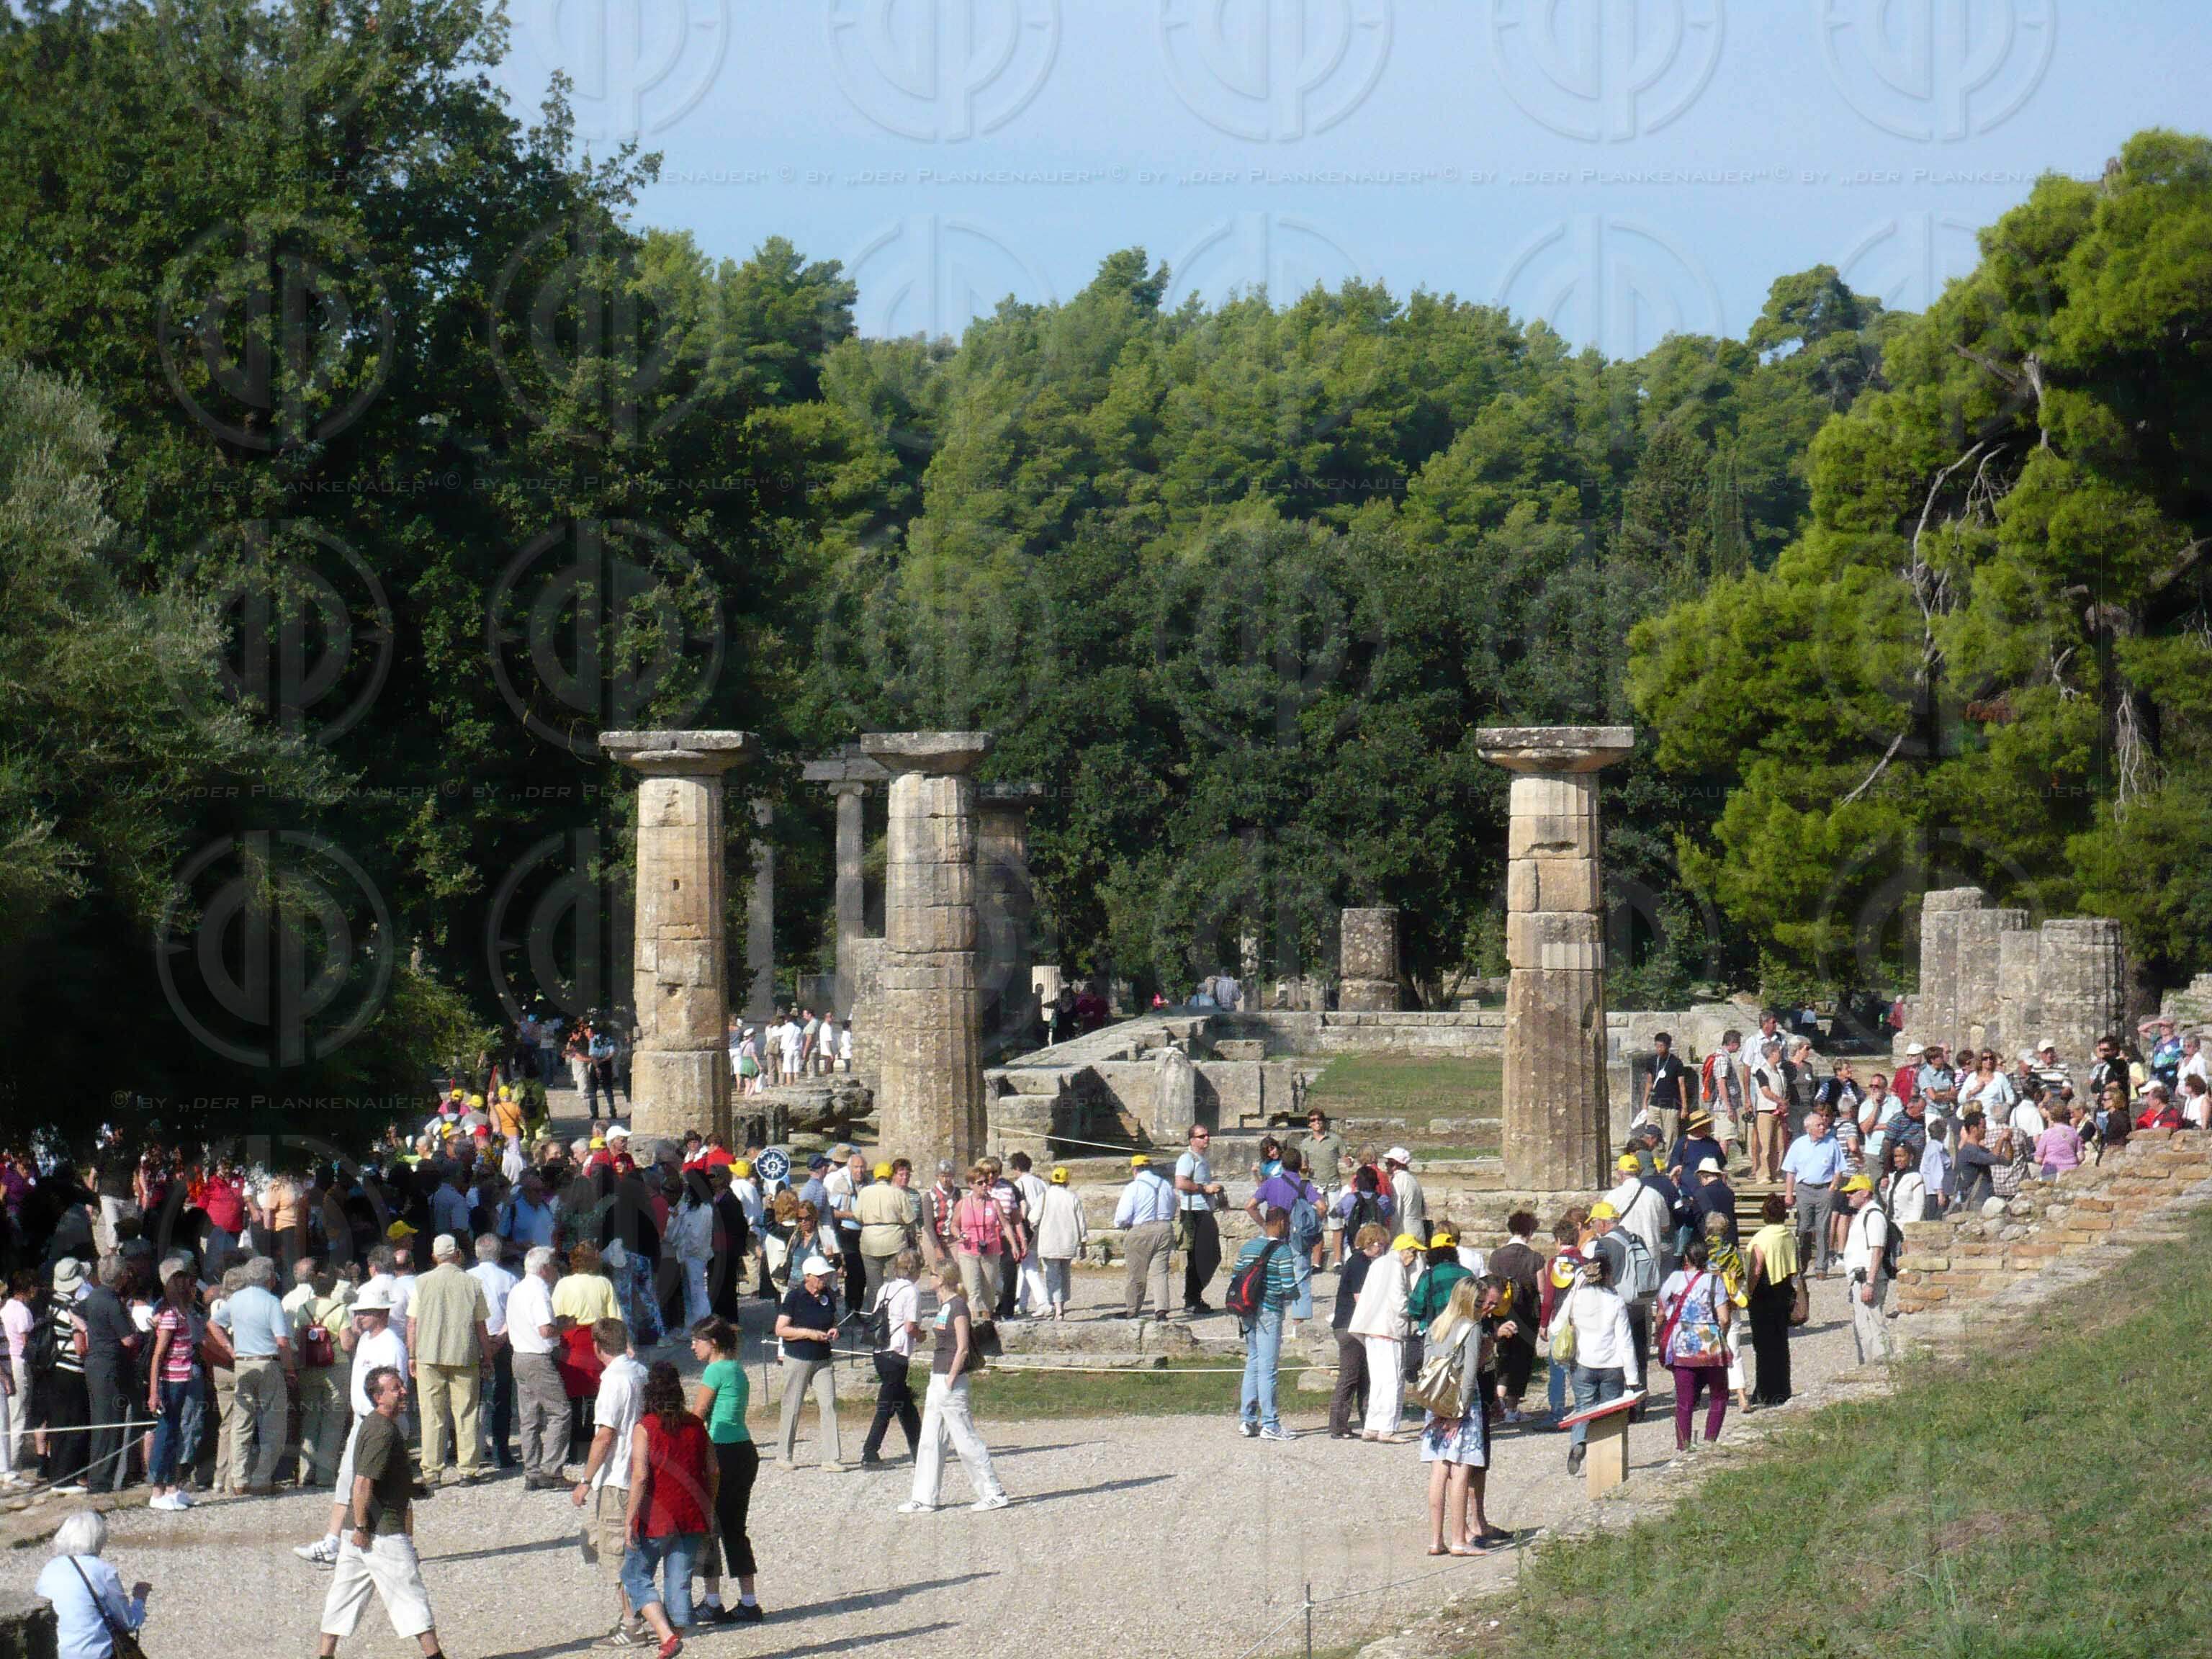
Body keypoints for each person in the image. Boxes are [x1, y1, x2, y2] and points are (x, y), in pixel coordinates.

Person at [295, 1278, 408, 1567]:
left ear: (381, 1313)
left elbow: (397, 1390)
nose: (358, 1317)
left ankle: (402, 1544)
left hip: (378, 1424)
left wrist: (385, 1425)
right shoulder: (367, 1340)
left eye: (364, 1312)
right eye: (358, 1312)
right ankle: (334, 1541)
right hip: (363, 1420)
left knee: (391, 1489)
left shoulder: (391, 1344)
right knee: (348, 1481)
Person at [620, 1360, 714, 1659]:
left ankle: (666, 1636)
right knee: (679, 1582)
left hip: (656, 1517)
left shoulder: (646, 1427)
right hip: (691, 1513)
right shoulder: (696, 1425)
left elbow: (640, 1476)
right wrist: (709, 1505)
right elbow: (713, 1469)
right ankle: (675, 1638)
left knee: (635, 1576)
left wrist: (629, 1518)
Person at [898, 1263, 1007, 1513]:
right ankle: (925, 1497)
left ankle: (994, 1492)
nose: (929, 1278)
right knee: (930, 1440)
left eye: (933, 1275)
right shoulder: (944, 1306)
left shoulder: (958, 1307)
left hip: (951, 1381)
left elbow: (963, 1346)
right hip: (937, 1378)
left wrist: (951, 1377)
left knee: (965, 1439)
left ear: (943, 1279)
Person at [572, 1319, 648, 1645]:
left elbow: (605, 1435)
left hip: (618, 1476)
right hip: (637, 1471)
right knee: (597, 1539)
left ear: (597, 1347)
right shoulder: (641, 1372)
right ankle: (638, 1610)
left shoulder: (614, 1381)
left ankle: (632, 1623)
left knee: (616, 1551)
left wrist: (585, 1480)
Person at [1420, 1277, 1509, 1556]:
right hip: (1462, 1406)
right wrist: (1458, 1415)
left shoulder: (1437, 1325)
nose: (1483, 1308)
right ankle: (1459, 1539)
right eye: (1479, 1302)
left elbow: (1426, 1367)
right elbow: (1469, 1375)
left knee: (1438, 1472)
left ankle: (1436, 1540)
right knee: (1460, 1471)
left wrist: (1438, 1410)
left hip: (1435, 1403)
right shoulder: (1470, 1328)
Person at [685, 1318, 761, 1624]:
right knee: (735, 1528)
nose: (693, 1346)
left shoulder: (715, 1370)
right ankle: (749, 1600)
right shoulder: (737, 1368)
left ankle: (713, 1600)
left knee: (708, 1527)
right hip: (744, 1449)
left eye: (697, 1340)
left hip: (721, 1450)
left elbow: (698, 1415)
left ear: (713, 1343)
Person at [408, 1233, 492, 1487]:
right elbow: (481, 1326)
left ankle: (432, 1471)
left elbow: (412, 1323)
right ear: (457, 1254)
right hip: (464, 1354)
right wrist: (487, 1356)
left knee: (432, 1414)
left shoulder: (421, 1282)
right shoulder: (472, 1283)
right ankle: (468, 1469)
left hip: (428, 1354)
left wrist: (412, 1354)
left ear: (434, 1255)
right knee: (466, 1413)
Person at [1546, 1251, 1640, 1476]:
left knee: (1583, 1408)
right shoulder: (1615, 1301)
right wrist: (1633, 1378)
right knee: (1609, 1414)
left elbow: (1556, 1327)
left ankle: (1579, 1442)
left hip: (1582, 1363)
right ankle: (1606, 1463)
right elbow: (1625, 1341)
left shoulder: (1576, 1298)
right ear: (1607, 1274)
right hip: (1611, 1365)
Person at [37, 1510, 150, 1659]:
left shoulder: (50, 1568)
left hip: (56, 1651)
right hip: (95, 1654)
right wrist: (140, 1599)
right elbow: (128, 1623)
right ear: (98, 1539)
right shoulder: (102, 1571)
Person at [1656, 1239, 1733, 1452]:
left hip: (1683, 1343)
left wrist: (1659, 1335)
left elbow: (1661, 1312)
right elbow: (1725, 1318)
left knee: (1684, 1401)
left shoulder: (1674, 1278)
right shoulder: (1714, 1282)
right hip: (1710, 1344)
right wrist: (1721, 1336)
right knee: (1719, 1395)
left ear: (1686, 1258)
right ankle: (1710, 1441)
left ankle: (1684, 1447)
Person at [1231, 1205, 1299, 1442]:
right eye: (1288, 1223)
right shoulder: (1283, 1251)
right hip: (1269, 1311)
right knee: (1268, 1368)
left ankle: (1248, 1419)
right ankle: (1270, 1423)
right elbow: (1288, 1286)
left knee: (1253, 1361)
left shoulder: (1248, 1247)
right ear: (1281, 1222)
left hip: (1247, 1309)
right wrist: (1295, 1294)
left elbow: (1235, 1277)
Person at [143, 1263, 204, 1511]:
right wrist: (154, 1392)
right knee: (166, 1434)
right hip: (170, 1381)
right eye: (190, 1286)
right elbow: (158, 1356)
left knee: (175, 1433)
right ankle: (157, 1491)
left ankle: (172, 1487)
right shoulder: (169, 1315)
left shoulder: (182, 1313)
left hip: (183, 1378)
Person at [773, 1255, 844, 1471]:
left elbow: (833, 1319)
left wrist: (834, 1329)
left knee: (829, 1405)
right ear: (808, 1277)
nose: (824, 1279)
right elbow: (781, 1329)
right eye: (820, 1276)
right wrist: (807, 1333)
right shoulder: (794, 1297)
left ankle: (831, 1458)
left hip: (823, 1359)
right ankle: (784, 1455)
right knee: (792, 1406)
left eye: (826, 1275)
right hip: (798, 1357)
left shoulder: (829, 1295)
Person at [1347, 1232, 1417, 1441]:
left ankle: (1371, 1426)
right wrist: (1414, 1309)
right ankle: (1387, 1428)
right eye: (1413, 1253)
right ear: (1405, 1251)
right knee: (1393, 1381)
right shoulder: (1395, 1266)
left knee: (1378, 1381)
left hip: (1372, 1328)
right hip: (1389, 1329)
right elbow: (1398, 1300)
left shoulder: (1378, 1264)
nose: (1414, 1258)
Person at [505, 1246, 565, 1488]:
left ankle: (532, 1471)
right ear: (545, 1268)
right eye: (554, 1265)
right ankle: (552, 1470)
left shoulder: (517, 1289)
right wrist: (567, 1325)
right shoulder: (539, 1291)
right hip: (537, 1358)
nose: (556, 1270)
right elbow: (546, 1330)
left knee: (529, 1417)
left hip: (519, 1355)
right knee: (560, 1411)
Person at [861, 1251, 923, 1466]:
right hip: (897, 1351)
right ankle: (870, 1452)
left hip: (880, 1350)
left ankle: (919, 1448)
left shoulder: (885, 1288)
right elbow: (910, 1326)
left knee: (904, 1402)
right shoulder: (911, 1291)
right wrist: (921, 1336)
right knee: (887, 1405)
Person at [1328, 1225, 1388, 1439]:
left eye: (1384, 1244)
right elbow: (1361, 1298)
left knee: (1365, 1375)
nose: (1382, 1248)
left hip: (1360, 1326)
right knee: (1350, 1375)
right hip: (1350, 1326)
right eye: (1379, 1244)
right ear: (1369, 1242)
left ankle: (1369, 1420)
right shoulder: (1359, 1263)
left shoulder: (1366, 1263)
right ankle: (1338, 1425)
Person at [1485, 1212, 1545, 1422]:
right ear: (1530, 1232)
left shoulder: (1496, 1256)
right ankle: (1512, 1409)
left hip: (1501, 1313)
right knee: (1522, 1360)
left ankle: (1498, 1404)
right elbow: (1541, 1287)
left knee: (1503, 1356)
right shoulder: (1535, 1258)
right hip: (1527, 1314)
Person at [1745, 1193, 1798, 1407]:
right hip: (1783, 1290)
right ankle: (1782, 1388)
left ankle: (1765, 1390)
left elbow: (1756, 1269)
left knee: (1763, 1346)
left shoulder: (1762, 1237)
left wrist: (1748, 1293)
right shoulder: (1788, 1234)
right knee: (1781, 1342)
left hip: (1764, 1293)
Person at [1112, 1154, 1177, 1320]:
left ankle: (1132, 1309)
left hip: (1141, 1229)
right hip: (1164, 1228)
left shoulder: (1133, 1187)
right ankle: (1161, 1310)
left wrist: (1122, 1225)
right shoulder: (1165, 1185)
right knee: (1160, 1272)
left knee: (1137, 1273)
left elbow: (1123, 1216)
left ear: (1134, 1169)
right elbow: (1173, 1207)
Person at [1781, 1109, 1843, 1276]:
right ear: (1808, 1128)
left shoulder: (1832, 1143)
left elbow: (1839, 1169)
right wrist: (1789, 1194)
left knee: (1823, 1229)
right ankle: (1802, 1265)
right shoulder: (1798, 1144)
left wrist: (1832, 1188)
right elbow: (1790, 1171)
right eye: (1819, 1125)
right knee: (1803, 1228)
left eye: (1823, 1124)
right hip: (1804, 1189)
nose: (1823, 1127)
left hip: (1824, 1189)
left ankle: (1821, 1267)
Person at [1839, 1174, 1892, 1364]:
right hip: (1860, 1278)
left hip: (1869, 1278)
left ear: (1866, 1193)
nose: (1849, 1195)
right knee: (1864, 1326)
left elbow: (1877, 1250)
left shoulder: (1874, 1215)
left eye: (1853, 1192)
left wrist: (1869, 1282)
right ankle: (1871, 1365)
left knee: (1874, 1324)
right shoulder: (1863, 1214)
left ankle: (1883, 1364)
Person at [1174, 1125, 1226, 1313]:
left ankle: (1194, 1296)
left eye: (1207, 1135)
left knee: (1210, 1255)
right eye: (1201, 1136)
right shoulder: (1187, 1159)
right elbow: (1181, 1183)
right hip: (1193, 1212)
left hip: (1203, 1209)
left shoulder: (1201, 1159)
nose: (1206, 1138)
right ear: (1192, 1140)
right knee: (1199, 1257)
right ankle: (1192, 1299)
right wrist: (1205, 1189)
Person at [1033, 1169, 1088, 1320]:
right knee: (1064, 1275)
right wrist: (1083, 1243)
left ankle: (1057, 1310)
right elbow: (1081, 1222)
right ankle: (1061, 1306)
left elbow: (1033, 1218)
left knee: (1052, 1276)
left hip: (1048, 1243)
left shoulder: (1044, 1197)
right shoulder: (1072, 1197)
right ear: (1067, 1181)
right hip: (1068, 1243)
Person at [1640, 1031, 1689, 1144]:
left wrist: (1684, 1107)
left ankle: (1670, 1156)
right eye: (1657, 1046)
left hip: (1670, 1105)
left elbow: (1681, 1085)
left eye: (1661, 1046)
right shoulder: (1652, 1061)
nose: (1659, 1049)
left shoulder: (1676, 1063)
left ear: (1668, 1046)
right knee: (1651, 1134)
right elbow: (1649, 1082)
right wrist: (1645, 1102)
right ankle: (1652, 1154)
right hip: (1654, 1104)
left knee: (1671, 1136)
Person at [1383, 1147, 1427, 1244]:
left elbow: (1396, 1212)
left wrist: (1389, 1237)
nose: (1386, 1166)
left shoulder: (1398, 1181)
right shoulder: (1413, 1180)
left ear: (1395, 1165)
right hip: (1418, 1231)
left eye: (1388, 1163)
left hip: (1404, 1234)